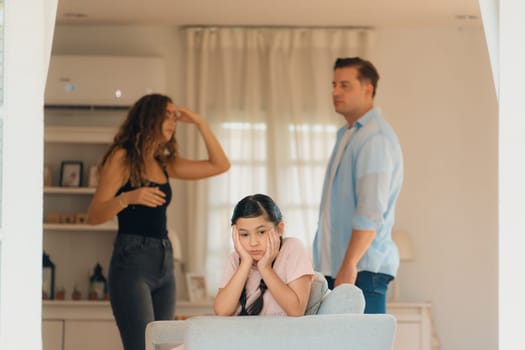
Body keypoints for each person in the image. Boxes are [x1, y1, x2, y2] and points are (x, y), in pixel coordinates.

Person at [87, 93, 230, 350]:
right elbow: (94, 215)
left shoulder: (164, 163)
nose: (172, 123)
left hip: (164, 262)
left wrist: (199, 122)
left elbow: (220, 165)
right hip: (131, 263)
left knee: (164, 346)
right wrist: (129, 197)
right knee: (141, 346)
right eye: (166, 116)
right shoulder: (123, 158)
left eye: (175, 118)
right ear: (147, 118)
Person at [313, 57, 404, 314]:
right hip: (341, 271)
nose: (335, 92)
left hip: (360, 273)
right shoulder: (348, 135)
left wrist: (349, 265)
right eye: (333, 85)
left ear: (368, 89)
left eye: (345, 85)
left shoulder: (375, 139)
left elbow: (369, 212)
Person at [214, 193, 314, 317]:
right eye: (244, 234)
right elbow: (222, 311)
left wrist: (265, 268)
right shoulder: (235, 258)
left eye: (261, 232)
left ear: (280, 229)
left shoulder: (292, 248)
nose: (253, 243)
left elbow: (296, 311)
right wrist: (245, 263)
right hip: (241, 333)